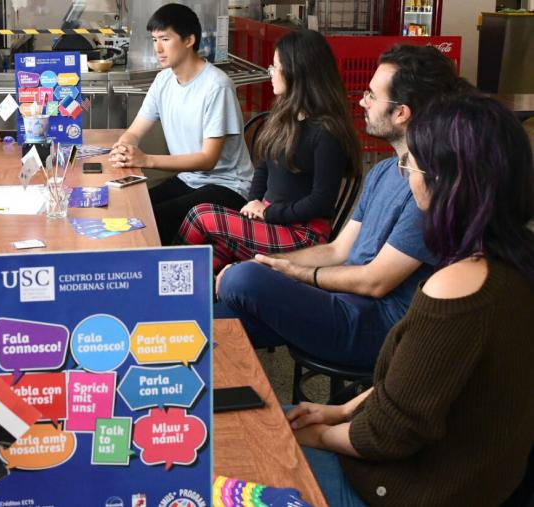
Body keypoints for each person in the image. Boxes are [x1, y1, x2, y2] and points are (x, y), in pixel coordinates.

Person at [285, 93, 534, 507]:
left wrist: (321, 436)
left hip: (421, 487)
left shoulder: (458, 285)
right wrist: (341, 412)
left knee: (238, 447)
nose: (406, 175)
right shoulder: (517, 257)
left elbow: (389, 433)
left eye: (411, 165)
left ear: (445, 182)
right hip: (484, 477)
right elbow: (415, 388)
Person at [215, 44, 467, 369]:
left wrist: (291, 273)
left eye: (371, 95)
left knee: (243, 280)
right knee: (218, 317)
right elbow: (338, 250)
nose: (362, 101)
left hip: (378, 326)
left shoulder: (429, 188)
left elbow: (375, 282)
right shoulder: (383, 171)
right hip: (342, 303)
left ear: (401, 113)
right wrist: (269, 263)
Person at [177, 30, 361, 273]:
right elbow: (263, 168)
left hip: (303, 235)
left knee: (200, 216)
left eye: (276, 67)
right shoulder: (285, 116)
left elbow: (321, 202)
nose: (270, 73)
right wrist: (253, 203)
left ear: (297, 72)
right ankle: (186, 290)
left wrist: (268, 212)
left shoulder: (327, 132)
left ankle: (168, 280)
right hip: (271, 221)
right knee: (212, 256)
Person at [109, 3, 254, 245]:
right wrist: (123, 148)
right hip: (189, 180)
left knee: (152, 220)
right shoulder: (163, 80)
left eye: (165, 39)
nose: (158, 48)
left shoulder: (216, 86)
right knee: (131, 208)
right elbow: (134, 131)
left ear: (189, 40)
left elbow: (208, 159)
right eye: (154, 39)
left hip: (228, 186)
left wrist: (146, 160)